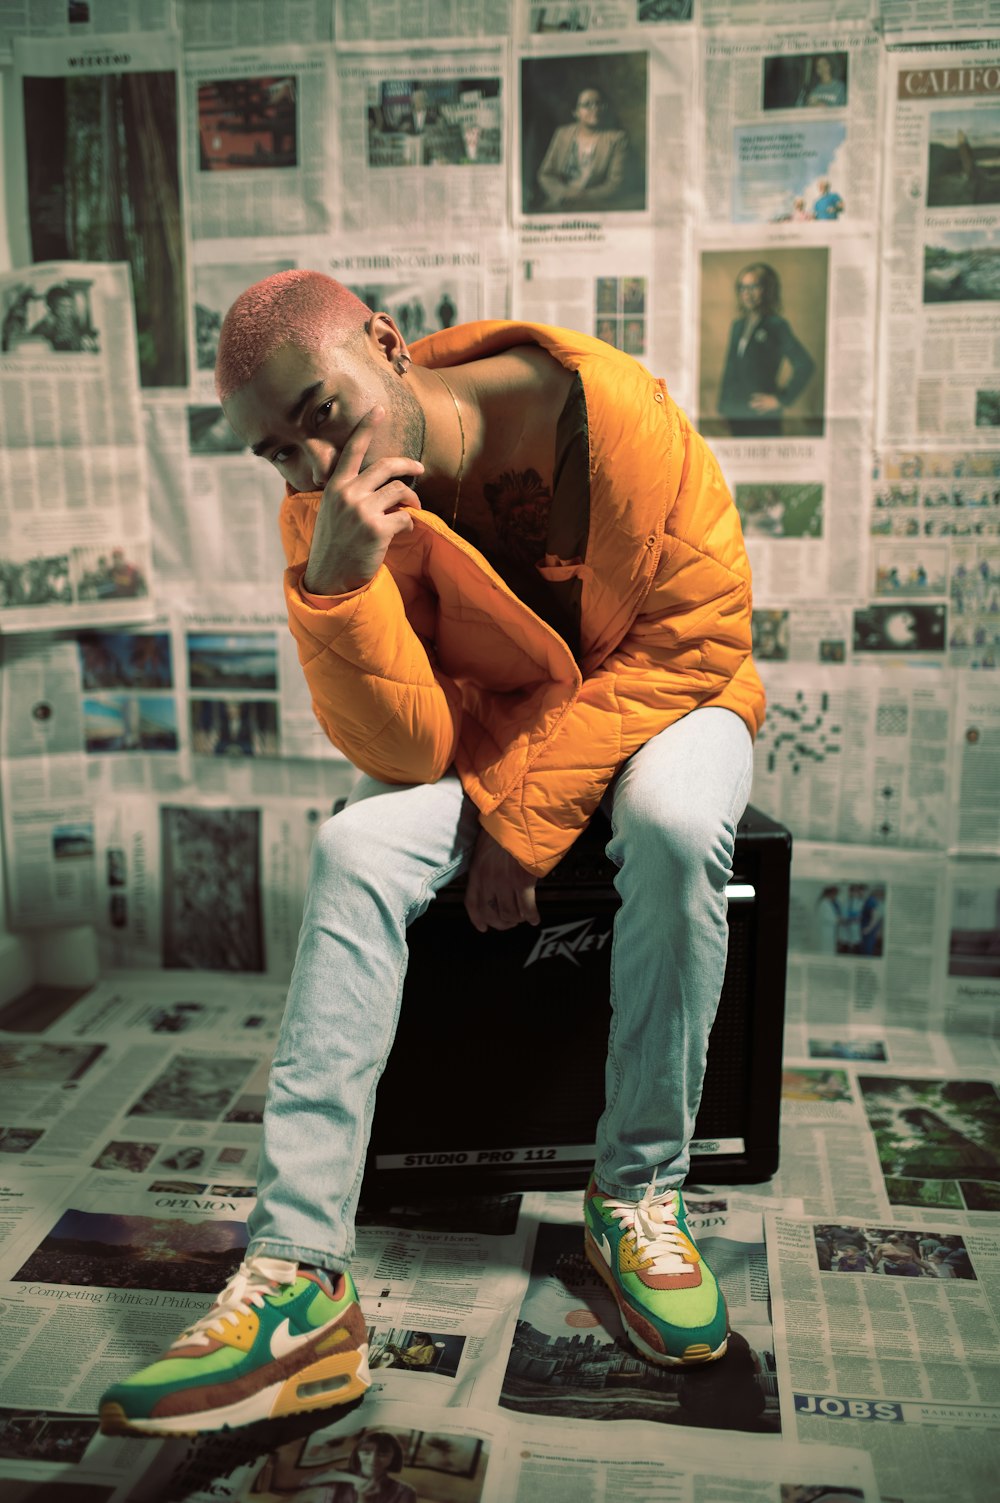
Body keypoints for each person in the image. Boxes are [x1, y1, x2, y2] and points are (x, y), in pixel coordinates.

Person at [98, 269, 764, 1436]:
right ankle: (300, 1281)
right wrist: (338, 587)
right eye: (275, 452)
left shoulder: (608, 412)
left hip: (670, 704)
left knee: (669, 825)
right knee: (357, 845)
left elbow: (690, 637)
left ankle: (638, 1198)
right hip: (509, 745)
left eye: (320, 411)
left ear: (386, 344)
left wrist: (517, 827)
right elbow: (408, 753)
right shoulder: (327, 510)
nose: (309, 462)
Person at [717, 263, 816, 438]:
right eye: (742, 287)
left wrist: (781, 399)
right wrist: (723, 407)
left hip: (761, 416)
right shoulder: (738, 326)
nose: (747, 293)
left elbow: (805, 364)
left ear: (767, 290)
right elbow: (730, 368)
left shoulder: (776, 325)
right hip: (735, 413)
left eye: (754, 286)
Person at [535, 86, 629, 210]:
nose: (595, 108)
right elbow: (545, 174)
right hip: (562, 201)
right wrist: (563, 194)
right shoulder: (563, 134)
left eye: (598, 103)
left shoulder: (617, 139)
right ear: (575, 112)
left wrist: (582, 196)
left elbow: (615, 184)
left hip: (596, 204)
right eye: (587, 105)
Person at [269, 1429, 417, 1502]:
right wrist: (352, 1479)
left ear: (393, 1457)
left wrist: (362, 1497)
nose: (373, 1460)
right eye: (366, 1452)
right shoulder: (338, 1479)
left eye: (382, 1454)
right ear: (357, 1453)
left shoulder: (404, 1491)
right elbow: (306, 1482)